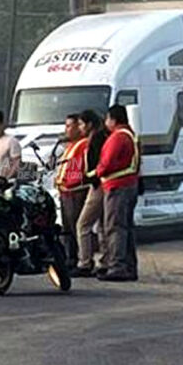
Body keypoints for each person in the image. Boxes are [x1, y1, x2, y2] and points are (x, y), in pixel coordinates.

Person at [96, 105, 140, 281]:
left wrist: (96, 172)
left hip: (117, 186)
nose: (106, 123)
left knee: (114, 227)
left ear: (113, 120)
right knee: (126, 227)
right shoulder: (131, 135)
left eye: (107, 119)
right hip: (129, 185)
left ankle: (117, 266)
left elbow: (106, 163)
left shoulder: (117, 137)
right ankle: (129, 266)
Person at [74, 109, 107, 277]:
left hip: (98, 185)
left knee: (83, 224)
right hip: (100, 184)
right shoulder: (96, 137)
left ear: (89, 124)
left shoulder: (97, 139)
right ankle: (104, 261)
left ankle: (85, 262)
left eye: (81, 124)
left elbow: (95, 164)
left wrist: (90, 178)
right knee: (101, 225)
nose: (79, 128)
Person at [56, 113, 89, 269]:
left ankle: (78, 258)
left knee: (75, 225)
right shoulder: (69, 146)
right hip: (65, 191)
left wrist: (70, 183)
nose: (66, 130)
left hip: (74, 191)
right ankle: (70, 257)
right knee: (67, 227)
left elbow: (78, 168)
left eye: (69, 126)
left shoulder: (82, 145)